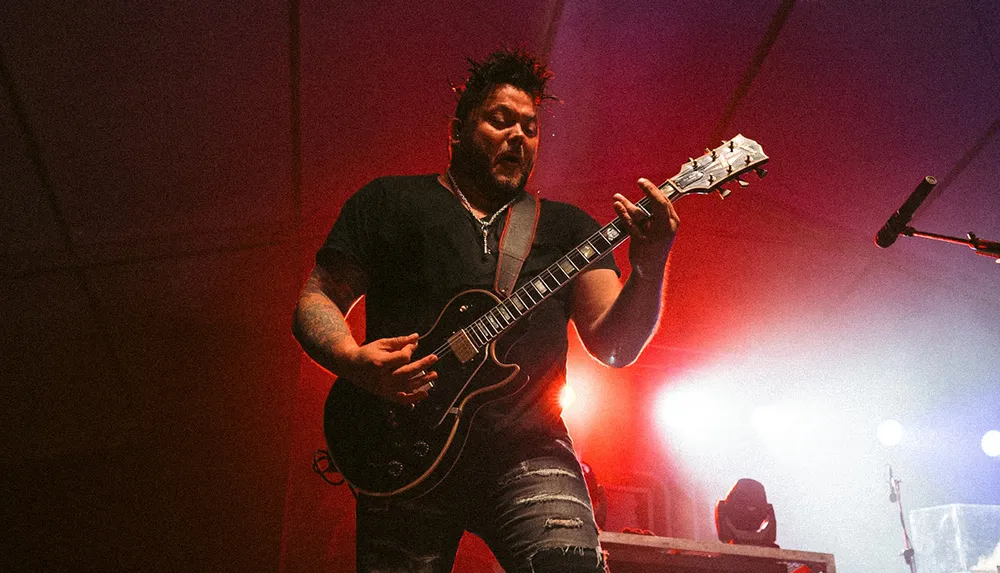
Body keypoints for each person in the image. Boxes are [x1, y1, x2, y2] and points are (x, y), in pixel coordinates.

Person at [292, 47, 680, 573]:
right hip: (400, 444)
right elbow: (317, 299)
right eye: (500, 121)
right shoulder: (387, 202)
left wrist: (650, 267)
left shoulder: (569, 228)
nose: (518, 136)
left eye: (531, 127)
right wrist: (350, 359)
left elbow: (613, 346)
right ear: (457, 130)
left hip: (528, 447)